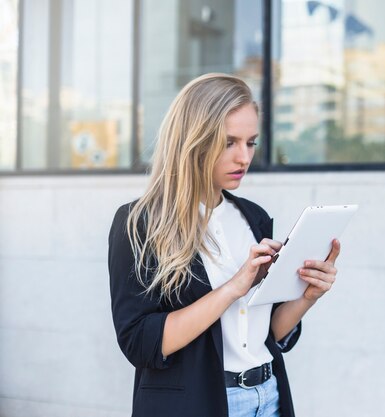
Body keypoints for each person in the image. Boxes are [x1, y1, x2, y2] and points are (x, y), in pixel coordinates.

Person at [108, 73, 340, 417]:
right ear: (194, 139)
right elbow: (140, 343)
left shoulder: (254, 217)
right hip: (198, 405)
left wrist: (307, 296)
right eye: (229, 142)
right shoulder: (140, 223)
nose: (243, 157)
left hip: (269, 397)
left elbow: (268, 332)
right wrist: (234, 287)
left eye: (251, 143)